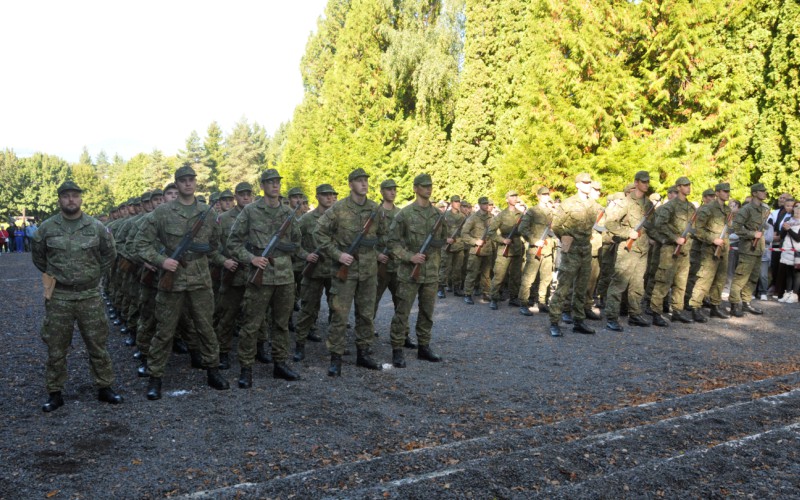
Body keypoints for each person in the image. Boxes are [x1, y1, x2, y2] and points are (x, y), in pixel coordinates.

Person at [134, 165, 233, 400]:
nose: (188, 183)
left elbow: (214, 244)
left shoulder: (208, 213)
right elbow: (140, 243)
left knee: (206, 327)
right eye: (183, 180)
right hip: (173, 279)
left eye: (191, 180)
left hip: (200, 278)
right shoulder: (162, 212)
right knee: (165, 329)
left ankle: (213, 370)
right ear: (176, 184)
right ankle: (155, 377)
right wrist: (161, 261)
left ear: (195, 182)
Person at [31, 180, 123, 412]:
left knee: (97, 343)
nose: (71, 199)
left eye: (75, 195)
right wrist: (57, 275)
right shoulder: (47, 228)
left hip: (89, 295)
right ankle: (55, 392)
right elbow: (39, 257)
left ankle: (105, 387)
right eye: (66, 196)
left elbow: (109, 254)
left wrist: (92, 275)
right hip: (59, 296)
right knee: (56, 346)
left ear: (81, 199)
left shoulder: (96, 227)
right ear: (59, 199)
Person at [226, 169, 308, 387]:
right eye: (270, 183)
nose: (275, 186)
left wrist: (287, 250)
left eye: (277, 182)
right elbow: (232, 242)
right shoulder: (251, 211)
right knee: (251, 323)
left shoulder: (288, 212)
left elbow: (297, 243)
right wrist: (251, 258)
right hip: (259, 275)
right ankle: (246, 367)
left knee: (281, 324)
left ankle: (280, 363)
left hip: (284, 276)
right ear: (262, 186)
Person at [314, 168, 386, 376]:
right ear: (350, 184)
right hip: (345, 270)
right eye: (359, 181)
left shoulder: (375, 208)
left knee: (366, 314)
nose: (364, 184)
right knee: (339, 315)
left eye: (366, 181)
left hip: (369, 270)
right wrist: (337, 255)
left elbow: (384, 234)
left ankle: (363, 353)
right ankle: (336, 358)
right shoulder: (338, 208)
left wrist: (376, 252)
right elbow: (318, 232)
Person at [387, 173, 446, 367]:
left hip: (430, 272)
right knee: (402, 312)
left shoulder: (438, 215)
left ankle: (424, 346)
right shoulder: (404, 214)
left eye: (430, 185)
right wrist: (409, 256)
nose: (428, 189)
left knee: (427, 312)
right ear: (415, 188)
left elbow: (442, 240)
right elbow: (392, 242)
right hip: (409, 272)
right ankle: (397, 348)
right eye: (424, 186)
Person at [548, 173, 599, 337]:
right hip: (572, 249)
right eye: (584, 182)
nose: (587, 185)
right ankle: (554, 321)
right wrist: (566, 238)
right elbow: (556, 225)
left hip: (585, 248)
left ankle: (578, 320)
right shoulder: (568, 203)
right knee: (563, 287)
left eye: (589, 182)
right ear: (577, 185)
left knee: (582, 287)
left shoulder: (593, 204)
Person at [604, 171, 655, 332]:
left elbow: (651, 225)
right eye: (643, 182)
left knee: (638, 283)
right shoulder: (625, 202)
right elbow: (610, 223)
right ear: (636, 182)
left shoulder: (648, 204)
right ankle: (612, 317)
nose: (646, 184)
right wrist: (627, 233)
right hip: (628, 248)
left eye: (648, 182)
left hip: (642, 248)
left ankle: (635, 314)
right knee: (619, 282)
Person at [293, 183, 338, 361]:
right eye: (325, 194)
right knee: (308, 309)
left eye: (332, 194)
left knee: (337, 310)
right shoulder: (306, 219)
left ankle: (336, 346)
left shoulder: (339, 218)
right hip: (314, 271)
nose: (329, 197)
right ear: (317, 197)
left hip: (335, 270)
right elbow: (293, 241)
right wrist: (306, 255)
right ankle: (300, 344)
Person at [648, 177, 696, 326]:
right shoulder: (670, 206)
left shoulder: (691, 207)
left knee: (681, 283)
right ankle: (656, 313)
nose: (688, 188)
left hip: (685, 250)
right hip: (670, 249)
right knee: (663, 281)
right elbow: (659, 225)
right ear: (679, 187)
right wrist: (674, 238)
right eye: (685, 185)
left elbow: (693, 228)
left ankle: (677, 311)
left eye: (689, 185)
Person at [687, 183, 733, 322]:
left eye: (728, 191)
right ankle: (695, 307)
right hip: (709, 249)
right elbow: (698, 230)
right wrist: (713, 239)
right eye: (724, 191)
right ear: (717, 193)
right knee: (704, 279)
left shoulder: (726, 209)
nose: (727, 194)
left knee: (720, 279)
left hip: (723, 249)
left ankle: (715, 306)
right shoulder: (707, 208)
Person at [729, 183, 771, 316]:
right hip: (747, 249)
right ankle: (734, 305)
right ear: (754, 193)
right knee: (740, 278)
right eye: (761, 191)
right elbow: (736, 227)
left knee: (753, 278)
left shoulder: (763, 210)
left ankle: (746, 303)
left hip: (758, 249)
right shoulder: (746, 209)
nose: (764, 193)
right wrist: (752, 234)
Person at [518, 187, 555, 315]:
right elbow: (522, 228)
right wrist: (534, 240)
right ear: (538, 196)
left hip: (548, 249)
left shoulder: (551, 212)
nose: (546, 196)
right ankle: (523, 303)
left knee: (546, 278)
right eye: (543, 195)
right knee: (529, 278)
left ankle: (542, 302)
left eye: (547, 194)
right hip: (535, 249)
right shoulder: (532, 211)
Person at [487, 191, 525, 309]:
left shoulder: (521, 215)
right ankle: (494, 298)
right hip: (504, 249)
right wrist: (502, 240)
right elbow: (491, 232)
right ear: (507, 199)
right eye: (512, 196)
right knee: (499, 275)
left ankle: (514, 298)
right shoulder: (501, 215)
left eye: (515, 196)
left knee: (516, 276)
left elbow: (526, 229)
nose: (514, 198)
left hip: (517, 247)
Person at [461, 197, 495, 304]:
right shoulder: (473, 218)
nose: (487, 206)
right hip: (476, 250)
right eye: (484, 204)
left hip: (488, 250)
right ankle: (467, 293)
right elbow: (464, 234)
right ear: (479, 205)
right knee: (472, 273)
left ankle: (486, 293)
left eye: (488, 204)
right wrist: (475, 241)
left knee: (486, 274)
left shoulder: (492, 218)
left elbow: (495, 233)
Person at [438, 195, 466, 297]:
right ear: (451, 203)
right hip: (447, 245)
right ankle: (441, 287)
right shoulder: (445, 215)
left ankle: (457, 288)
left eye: (458, 201)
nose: (457, 203)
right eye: (455, 201)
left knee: (458, 268)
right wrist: (446, 239)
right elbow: (438, 231)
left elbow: (465, 231)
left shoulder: (463, 216)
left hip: (459, 245)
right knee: (445, 268)